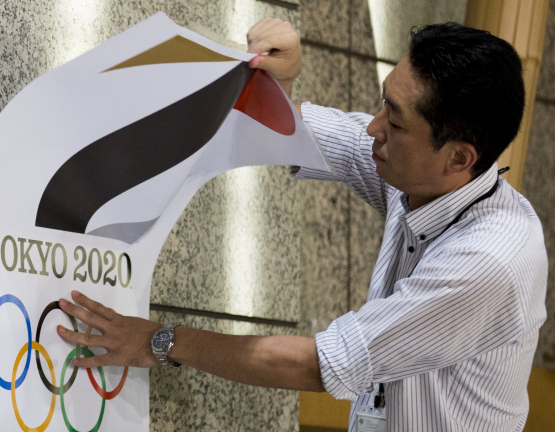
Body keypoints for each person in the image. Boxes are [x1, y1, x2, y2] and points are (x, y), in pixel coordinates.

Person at [57, 18, 548, 431]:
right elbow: (294, 135)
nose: (374, 127)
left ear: (459, 158)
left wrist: (158, 341)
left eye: (396, 123)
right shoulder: (421, 174)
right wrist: (280, 77)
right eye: (383, 103)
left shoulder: (490, 261)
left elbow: (319, 364)